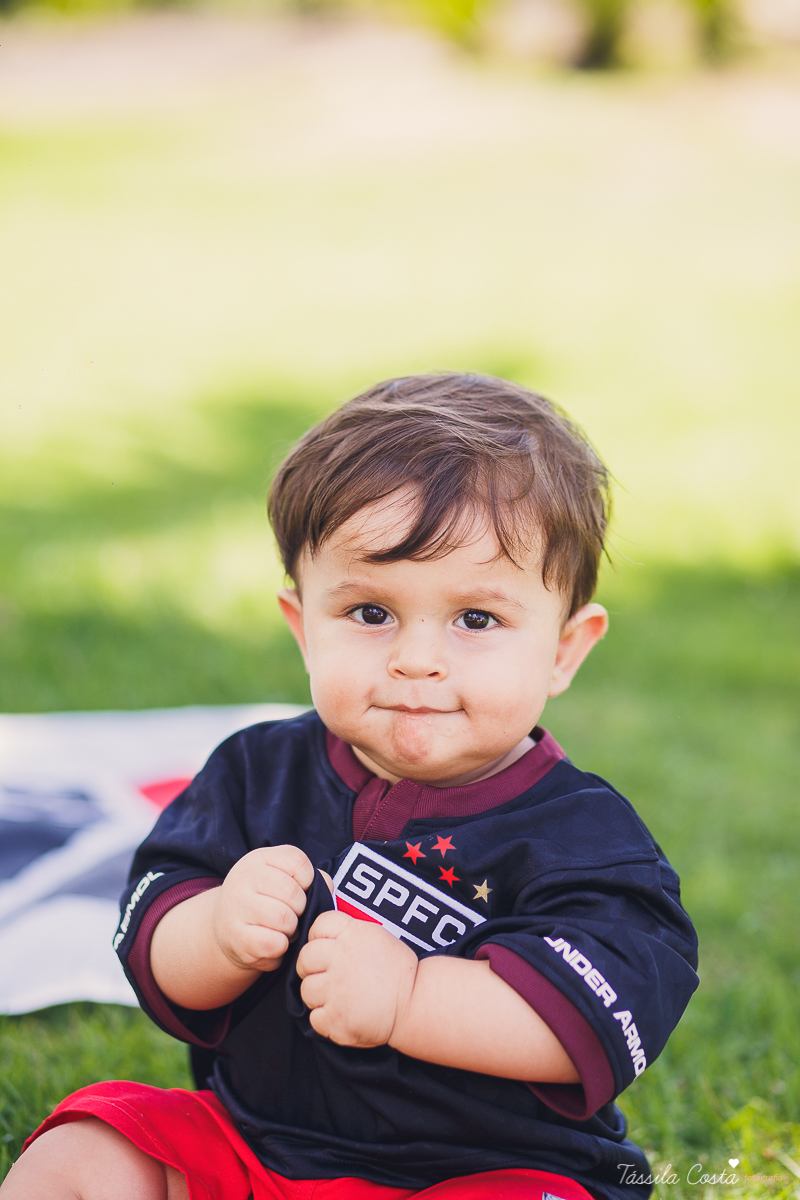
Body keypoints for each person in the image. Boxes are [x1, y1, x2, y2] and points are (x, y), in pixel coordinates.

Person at [2, 373, 698, 1200]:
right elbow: (150, 941)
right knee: (80, 1155)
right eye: (370, 612)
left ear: (564, 650)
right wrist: (217, 933)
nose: (416, 658)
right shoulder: (255, 775)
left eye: (477, 620)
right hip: (258, 1147)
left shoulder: (587, 839)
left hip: (490, 1170)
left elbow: (586, 1022)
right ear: (303, 628)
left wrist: (409, 997)